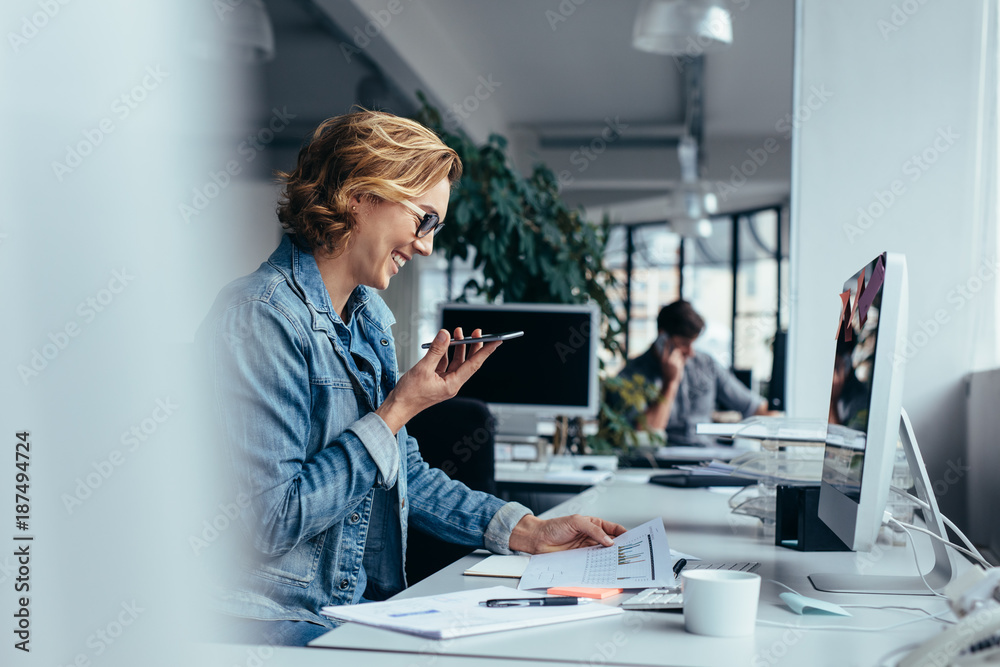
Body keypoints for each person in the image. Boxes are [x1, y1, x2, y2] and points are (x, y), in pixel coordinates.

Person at [199, 110, 626, 646]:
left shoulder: (368, 316)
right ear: (360, 194)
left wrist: (530, 530)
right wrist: (398, 409)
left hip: (355, 610)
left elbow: (403, 473)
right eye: (423, 219)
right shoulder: (259, 317)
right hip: (271, 617)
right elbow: (271, 520)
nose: (426, 245)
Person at [617, 300, 771, 446]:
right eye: (684, 344)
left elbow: (753, 407)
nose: (691, 353)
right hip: (660, 457)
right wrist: (670, 383)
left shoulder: (706, 364)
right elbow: (645, 433)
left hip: (707, 455)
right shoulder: (631, 374)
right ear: (663, 337)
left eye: (693, 343)